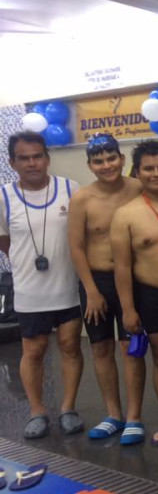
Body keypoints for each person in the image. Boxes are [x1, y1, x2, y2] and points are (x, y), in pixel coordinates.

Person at [0, 132, 83, 439]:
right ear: (13, 163)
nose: (32, 163)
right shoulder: (4, 197)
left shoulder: (69, 189)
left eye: (37, 156)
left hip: (67, 286)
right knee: (33, 350)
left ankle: (68, 408)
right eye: (24, 158)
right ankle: (37, 411)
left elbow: (81, 235)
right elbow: (5, 242)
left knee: (70, 346)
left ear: (47, 159)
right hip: (29, 291)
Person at [67, 134, 144, 442]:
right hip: (95, 281)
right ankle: (113, 414)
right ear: (90, 165)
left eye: (111, 158)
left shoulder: (137, 189)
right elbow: (76, 247)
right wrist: (91, 290)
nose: (106, 165)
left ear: (122, 159)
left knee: (130, 348)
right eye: (98, 161)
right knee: (100, 347)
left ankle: (134, 416)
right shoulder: (82, 199)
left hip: (132, 280)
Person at [110, 140, 158, 445]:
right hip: (152, 296)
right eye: (149, 168)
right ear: (137, 173)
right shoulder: (125, 215)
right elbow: (122, 267)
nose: (157, 174)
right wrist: (128, 309)